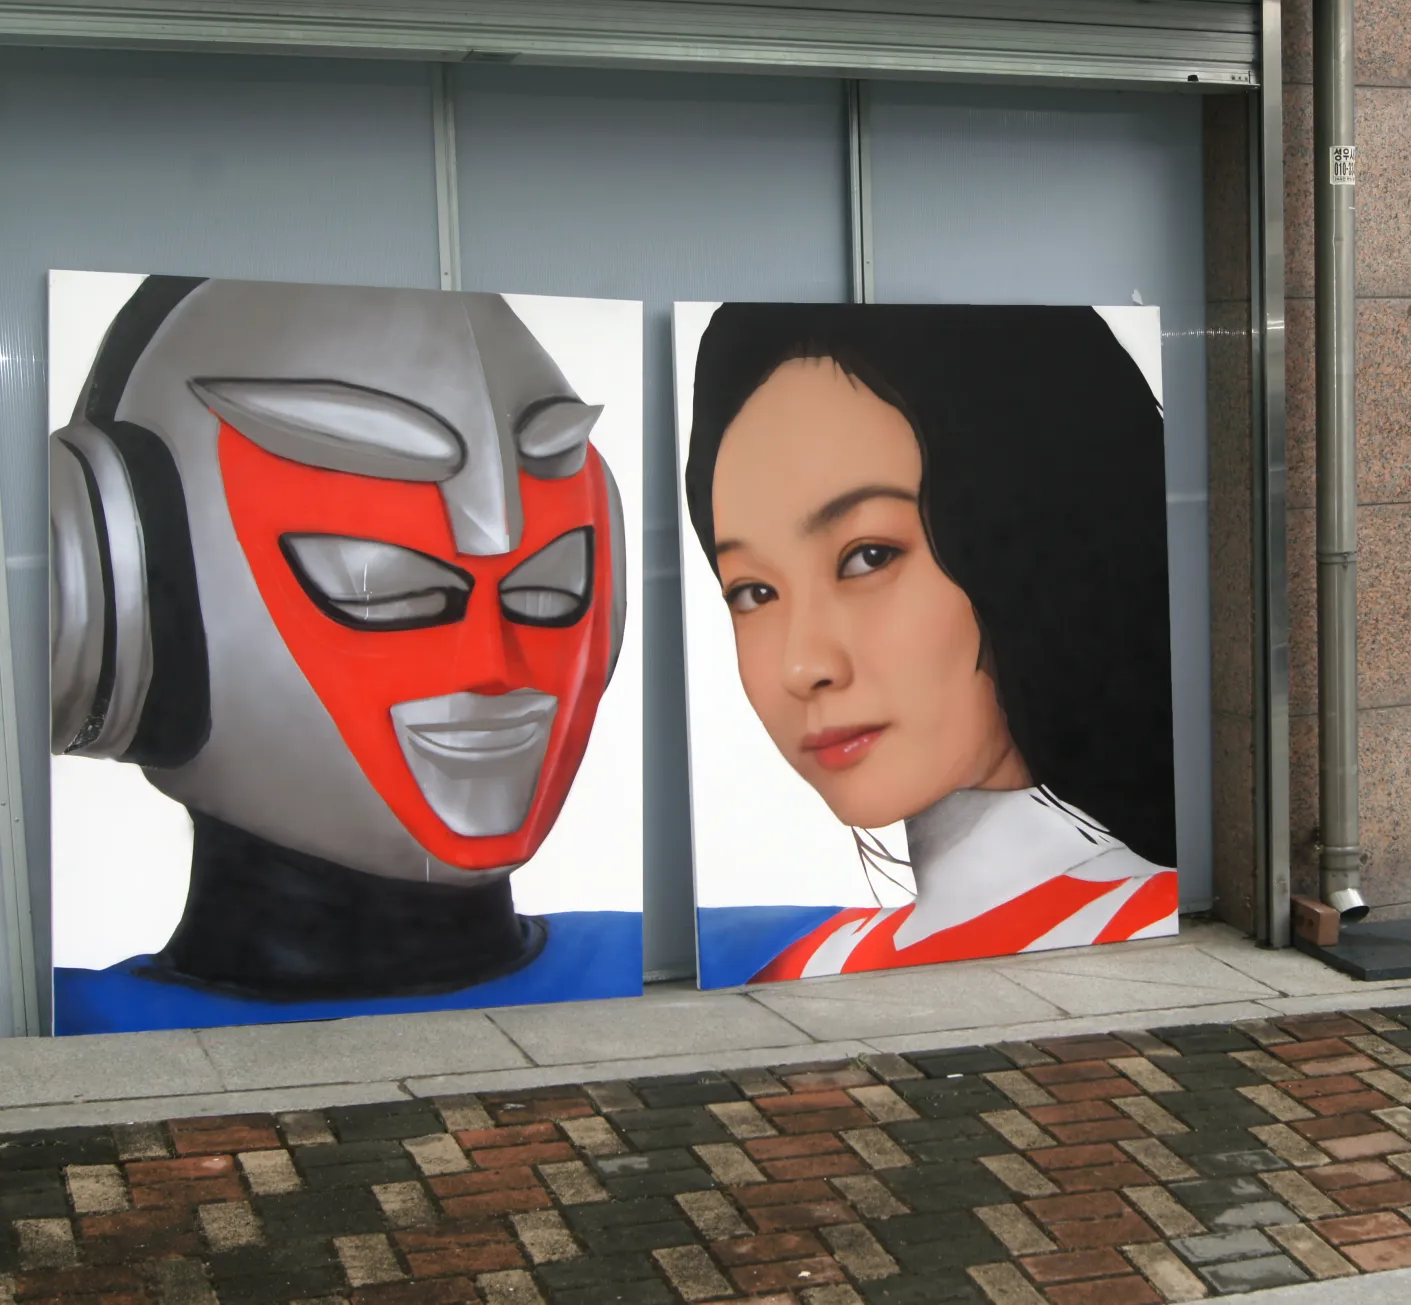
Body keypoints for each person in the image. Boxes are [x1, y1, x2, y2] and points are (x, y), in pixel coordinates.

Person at [49, 277, 636, 1032]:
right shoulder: (66, 1026)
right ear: (109, 597)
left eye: (550, 587)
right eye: (386, 589)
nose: (494, 663)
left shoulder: (761, 958)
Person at [683, 303, 1177, 984]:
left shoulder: (1141, 929)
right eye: (753, 592)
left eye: (867, 556)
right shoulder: (815, 961)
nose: (802, 664)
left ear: (1028, 533)